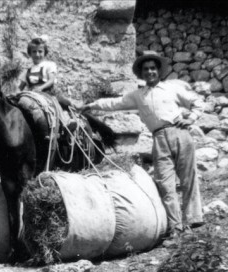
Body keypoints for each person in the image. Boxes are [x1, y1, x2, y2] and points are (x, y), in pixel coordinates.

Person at [80, 51, 205, 242]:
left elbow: (197, 102)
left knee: (188, 177)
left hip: (180, 133)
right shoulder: (139, 95)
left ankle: (193, 221)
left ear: (159, 71)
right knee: (165, 182)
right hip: (159, 139)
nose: (150, 72)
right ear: (142, 73)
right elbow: (116, 103)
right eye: (146, 69)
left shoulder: (171, 88)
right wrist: (92, 105)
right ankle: (176, 227)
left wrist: (191, 118)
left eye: (153, 68)